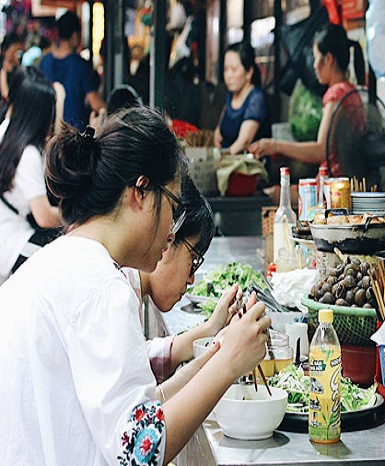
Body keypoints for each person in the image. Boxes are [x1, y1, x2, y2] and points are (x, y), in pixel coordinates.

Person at [0, 106, 270, 464]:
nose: (172, 229)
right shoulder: (100, 286)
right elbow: (140, 448)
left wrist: (210, 359)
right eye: (173, 205)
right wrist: (229, 364)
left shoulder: (69, 261)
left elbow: (130, 413)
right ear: (141, 192)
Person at [123, 175, 221, 382]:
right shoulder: (115, 289)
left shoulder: (127, 284)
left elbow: (136, 361)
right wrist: (226, 367)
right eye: (193, 260)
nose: (191, 279)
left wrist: (210, 329)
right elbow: (139, 411)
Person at [248, 23, 365, 176]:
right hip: (345, 182)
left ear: (328, 59)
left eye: (316, 58)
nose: (314, 65)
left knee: (273, 194)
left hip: (332, 186)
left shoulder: (336, 94)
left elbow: (321, 150)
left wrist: (274, 145)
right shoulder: (352, 91)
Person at [0, 66, 61, 285]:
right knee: (61, 261)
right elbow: (44, 217)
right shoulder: (28, 154)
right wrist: (77, 216)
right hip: (12, 242)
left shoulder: (6, 130)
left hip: (7, 231)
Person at [39, 10, 106, 130]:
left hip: (48, 133)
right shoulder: (80, 65)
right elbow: (95, 102)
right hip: (73, 136)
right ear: (75, 36)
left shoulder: (45, 61)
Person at [214, 41, 268, 153]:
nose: (228, 75)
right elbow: (219, 132)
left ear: (249, 72)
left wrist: (219, 160)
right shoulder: (230, 94)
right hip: (226, 161)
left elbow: (243, 143)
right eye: (225, 70)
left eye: (233, 70)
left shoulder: (256, 98)